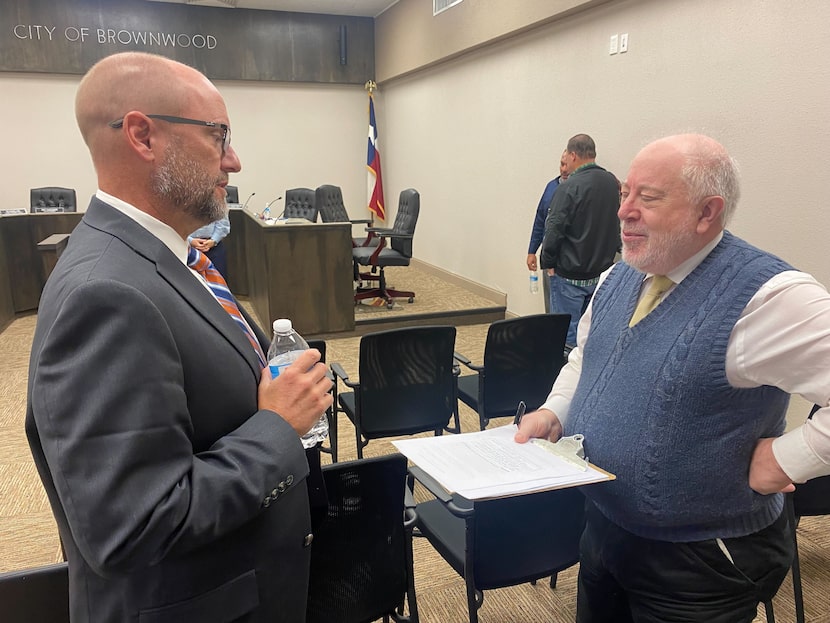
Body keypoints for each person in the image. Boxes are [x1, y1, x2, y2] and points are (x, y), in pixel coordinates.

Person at [25, 51, 332, 622]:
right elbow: (132, 525)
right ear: (142, 136)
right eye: (218, 135)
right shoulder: (104, 294)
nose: (234, 160)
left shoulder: (175, 258)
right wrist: (275, 427)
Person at [517, 133, 830, 622]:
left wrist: (789, 460)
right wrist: (554, 410)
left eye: (649, 197)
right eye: (625, 194)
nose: (624, 211)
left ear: (707, 212)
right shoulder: (617, 275)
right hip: (605, 530)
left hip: (699, 561)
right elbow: (585, 357)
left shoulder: (768, 297)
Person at [540, 133, 620, 347]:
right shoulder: (612, 183)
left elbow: (554, 227)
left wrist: (547, 262)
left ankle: (564, 377)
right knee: (588, 334)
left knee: (564, 336)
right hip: (600, 273)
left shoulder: (568, 186)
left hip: (569, 275)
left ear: (573, 155)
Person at [527, 149, 569, 312]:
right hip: (549, 257)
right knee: (551, 306)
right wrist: (532, 251)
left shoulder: (578, 191)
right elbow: (540, 220)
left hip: (569, 262)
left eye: (567, 164)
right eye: (561, 164)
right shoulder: (551, 187)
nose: (564, 169)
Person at [189, 214, 230, 278]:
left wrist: (214, 240)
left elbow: (223, 224)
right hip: (186, 246)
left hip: (213, 246)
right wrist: (190, 241)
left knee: (217, 280)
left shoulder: (218, 204)